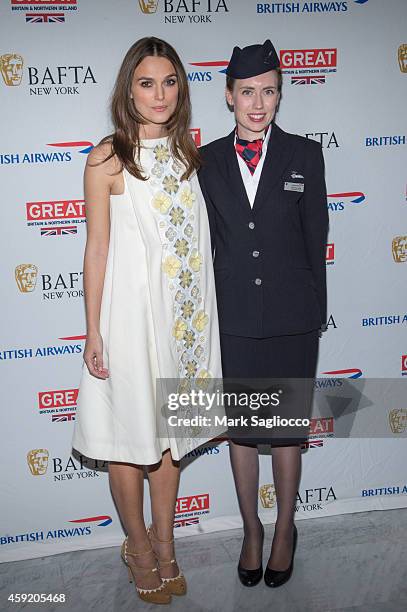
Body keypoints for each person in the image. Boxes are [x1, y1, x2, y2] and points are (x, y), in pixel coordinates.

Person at [72, 36, 223, 605]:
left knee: (170, 442)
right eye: (146, 82)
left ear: (180, 89)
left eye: (169, 82)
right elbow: (97, 251)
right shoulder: (107, 157)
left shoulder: (190, 155)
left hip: (183, 323)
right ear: (127, 89)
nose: (159, 94)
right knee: (129, 438)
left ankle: (166, 543)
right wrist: (93, 330)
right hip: (131, 321)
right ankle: (136, 545)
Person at [198, 40, 328, 588]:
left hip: (292, 316)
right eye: (247, 92)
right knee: (245, 432)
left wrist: (313, 311)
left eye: (268, 91)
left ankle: (284, 530)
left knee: (287, 430)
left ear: (279, 95)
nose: (258, 103)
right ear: (229, 96)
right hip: (234, 317)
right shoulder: (203, 161)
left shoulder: (305, 154)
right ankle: (252, 530)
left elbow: (316, 235)